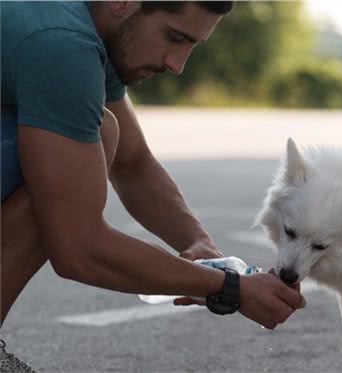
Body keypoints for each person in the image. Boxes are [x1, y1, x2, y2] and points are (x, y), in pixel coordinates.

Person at [0, 2, 305, 371]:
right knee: (86, 141)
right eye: (174, 37)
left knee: (95, 133)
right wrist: (226, 288)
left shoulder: (83, 22)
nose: (177, 64)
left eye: (192, 46)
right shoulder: (62, 44)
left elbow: (133, 165)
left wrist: (199, 245)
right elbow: (80, 249)